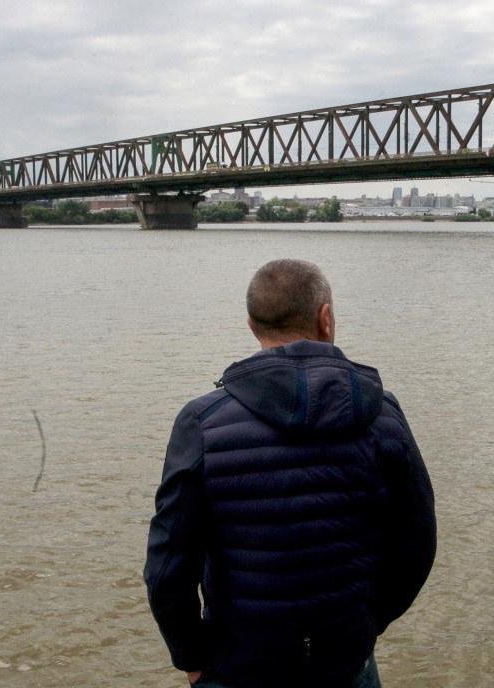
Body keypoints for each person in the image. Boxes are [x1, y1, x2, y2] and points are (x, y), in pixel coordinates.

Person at [145, 259, 437, 688]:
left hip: (239, 666)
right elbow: (416, 544)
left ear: (251, 325)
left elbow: (168, 567)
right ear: (326, 318)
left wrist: (192, 657)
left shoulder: (203, 423)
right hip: (346, 662)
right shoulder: (382, 413)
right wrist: (364, 624)